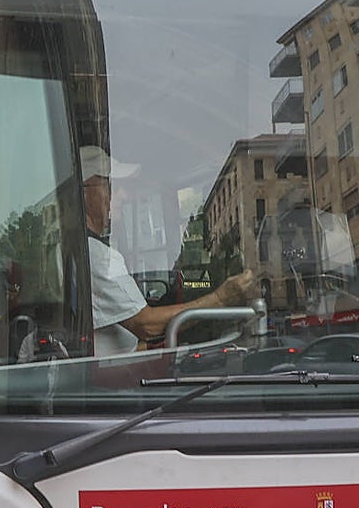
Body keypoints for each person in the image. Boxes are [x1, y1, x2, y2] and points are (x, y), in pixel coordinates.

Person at [80, 145, 257, 355]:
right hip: (113, 377)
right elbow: (147, 325)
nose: (123, 195)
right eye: (112, 186)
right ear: (84, 192)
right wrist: (220, 299)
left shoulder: (88, 250)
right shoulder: (96, 256)